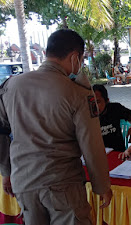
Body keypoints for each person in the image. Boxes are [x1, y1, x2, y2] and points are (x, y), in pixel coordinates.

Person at [0, 29, 112, 225]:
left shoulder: (11, 86)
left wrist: (6, 172)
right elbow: (91, 144)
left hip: (24, 183)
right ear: (75, 56)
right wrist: (102, 187)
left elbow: (1, 132)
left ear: (46, 53)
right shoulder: (77, 92)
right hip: (63, 185)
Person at [93, 84, 131, 152]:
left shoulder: (115, 108)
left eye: (98, 102)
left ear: (107, 100)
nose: (94, 106)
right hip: (99, 154)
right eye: (92, 102)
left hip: (118, 152)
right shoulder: (87, 115)